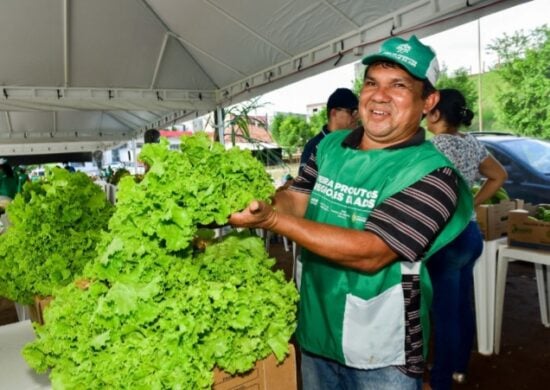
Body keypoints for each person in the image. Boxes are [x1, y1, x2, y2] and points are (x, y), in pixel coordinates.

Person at [229, 35, 473, 389]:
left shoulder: (433, 174)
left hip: (382, 348)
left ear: (428, 101)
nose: (379, 95)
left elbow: (371, 252)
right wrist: (253, 205)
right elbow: (297, 199)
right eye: (372, 82)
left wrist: (271, 220)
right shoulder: (330, 146)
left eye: (399, 85)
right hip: (315, 326)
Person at [425, 88, 507, 389]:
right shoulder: (471, 143)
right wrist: (472, 203)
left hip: (445, 236)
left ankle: (441, 379)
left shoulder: (434, 147)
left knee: (443, 311)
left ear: (435, 113)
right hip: (470, 233)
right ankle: (459, 367)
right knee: (461, 304)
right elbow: (498, 176)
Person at [299, 88, 359, 175]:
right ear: (334, 113)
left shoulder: (356, 144)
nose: (357, 117)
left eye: (357, 112)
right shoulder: (314, 146)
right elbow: (304, 185)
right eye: (352, 111)